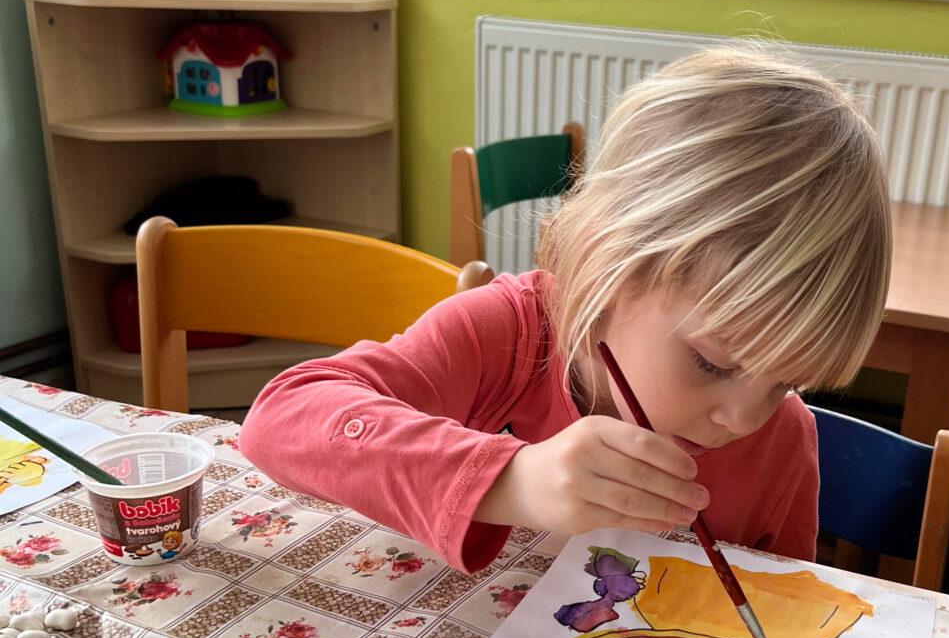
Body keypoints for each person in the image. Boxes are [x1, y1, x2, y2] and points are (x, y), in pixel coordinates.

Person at [239, 43, 892, 571]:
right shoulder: (508, 335)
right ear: (608, 263)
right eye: (713, 363)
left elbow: (791, 614)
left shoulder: (782, 441)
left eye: (786, 382)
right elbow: (282, 417)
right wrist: (513, 479)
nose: (744, 417)